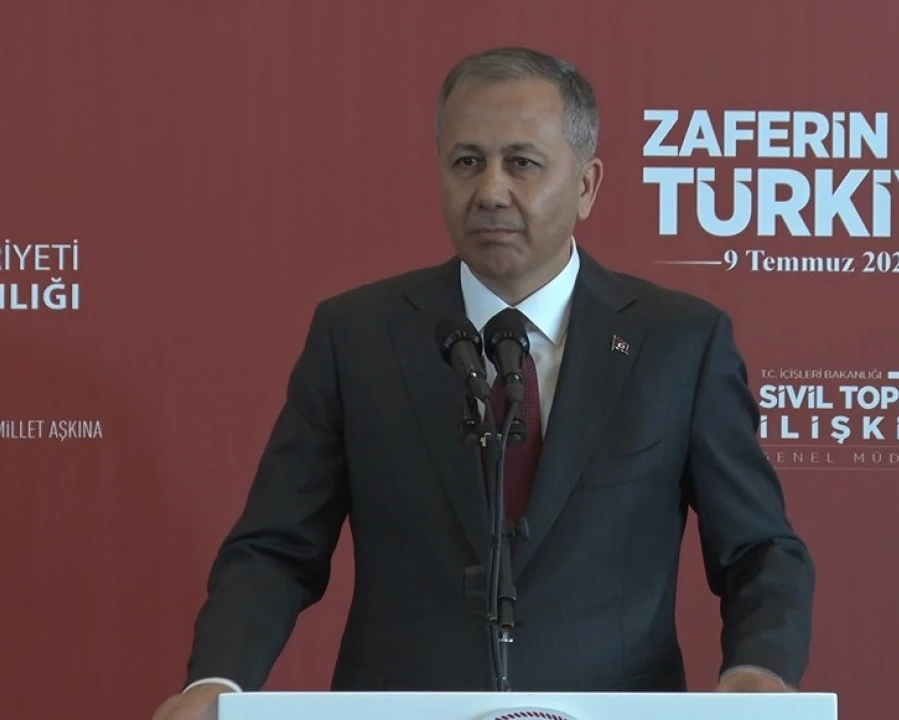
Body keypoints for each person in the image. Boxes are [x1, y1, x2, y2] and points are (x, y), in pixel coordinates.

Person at [152, 45, 815, 720]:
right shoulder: (357, 338)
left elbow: (760, 548)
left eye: (522, 163)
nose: (491, 191)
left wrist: (759, 670)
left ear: (587, 185)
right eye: (467, 162)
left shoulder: (679, 344)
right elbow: (275, 548)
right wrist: (219, 681)